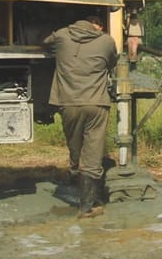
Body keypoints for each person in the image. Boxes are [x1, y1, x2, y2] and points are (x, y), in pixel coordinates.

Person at [44, 13, 119, 217]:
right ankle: (87, 206)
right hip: (96, 104)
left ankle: (77, 176)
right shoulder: (106, 41)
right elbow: (113, 61)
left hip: (68, 103)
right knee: (93, 153)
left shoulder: (61, 35)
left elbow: (45, 44)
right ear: (97, 25)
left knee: (75, 149)